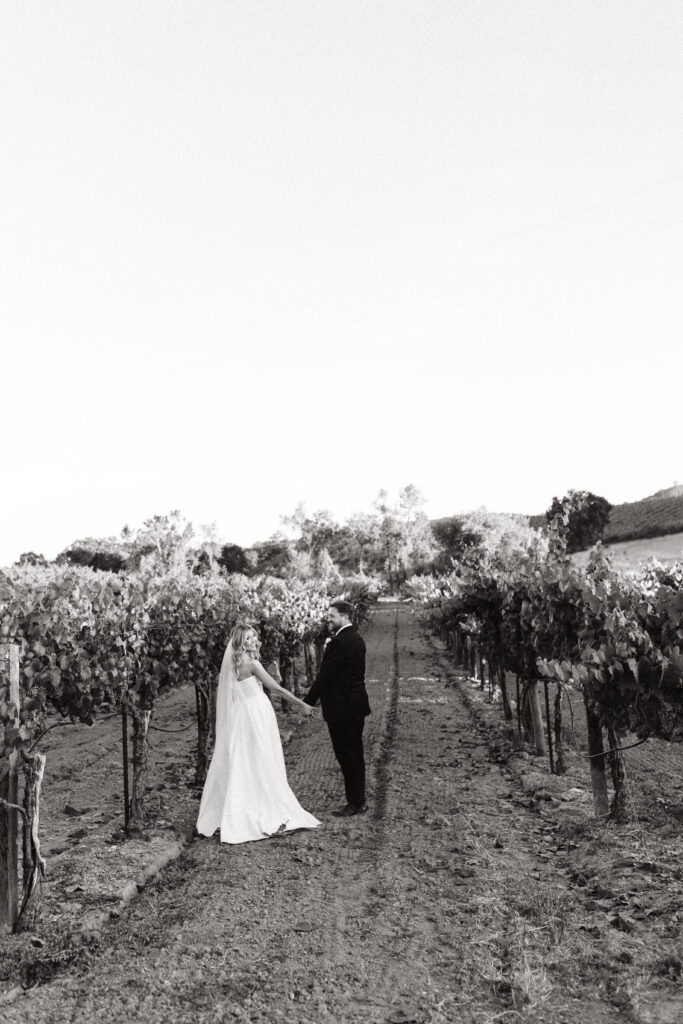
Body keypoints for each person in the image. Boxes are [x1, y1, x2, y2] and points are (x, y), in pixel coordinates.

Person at [196, 623, 321, 844]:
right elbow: (276, 689)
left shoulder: (233, 664)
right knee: (261, 756)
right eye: (249, 637)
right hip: (256, 713)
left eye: (254, 636)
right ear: (240, 642)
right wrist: (302, 705)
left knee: (243, 759)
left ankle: (238, 805)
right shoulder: (252, 664)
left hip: (240, 715)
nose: (254, 640)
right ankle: (261, 805)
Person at [302, 600, 371, 817]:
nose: (328, 620)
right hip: (356, 705)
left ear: (344, 616)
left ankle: (354, 802)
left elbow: (324, 678)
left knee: (346, 755)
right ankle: (359, 799)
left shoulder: (338, 643)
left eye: (332, 616)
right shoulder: (358, 639)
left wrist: (308, 702)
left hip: (341, 708)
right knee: (356, 754)